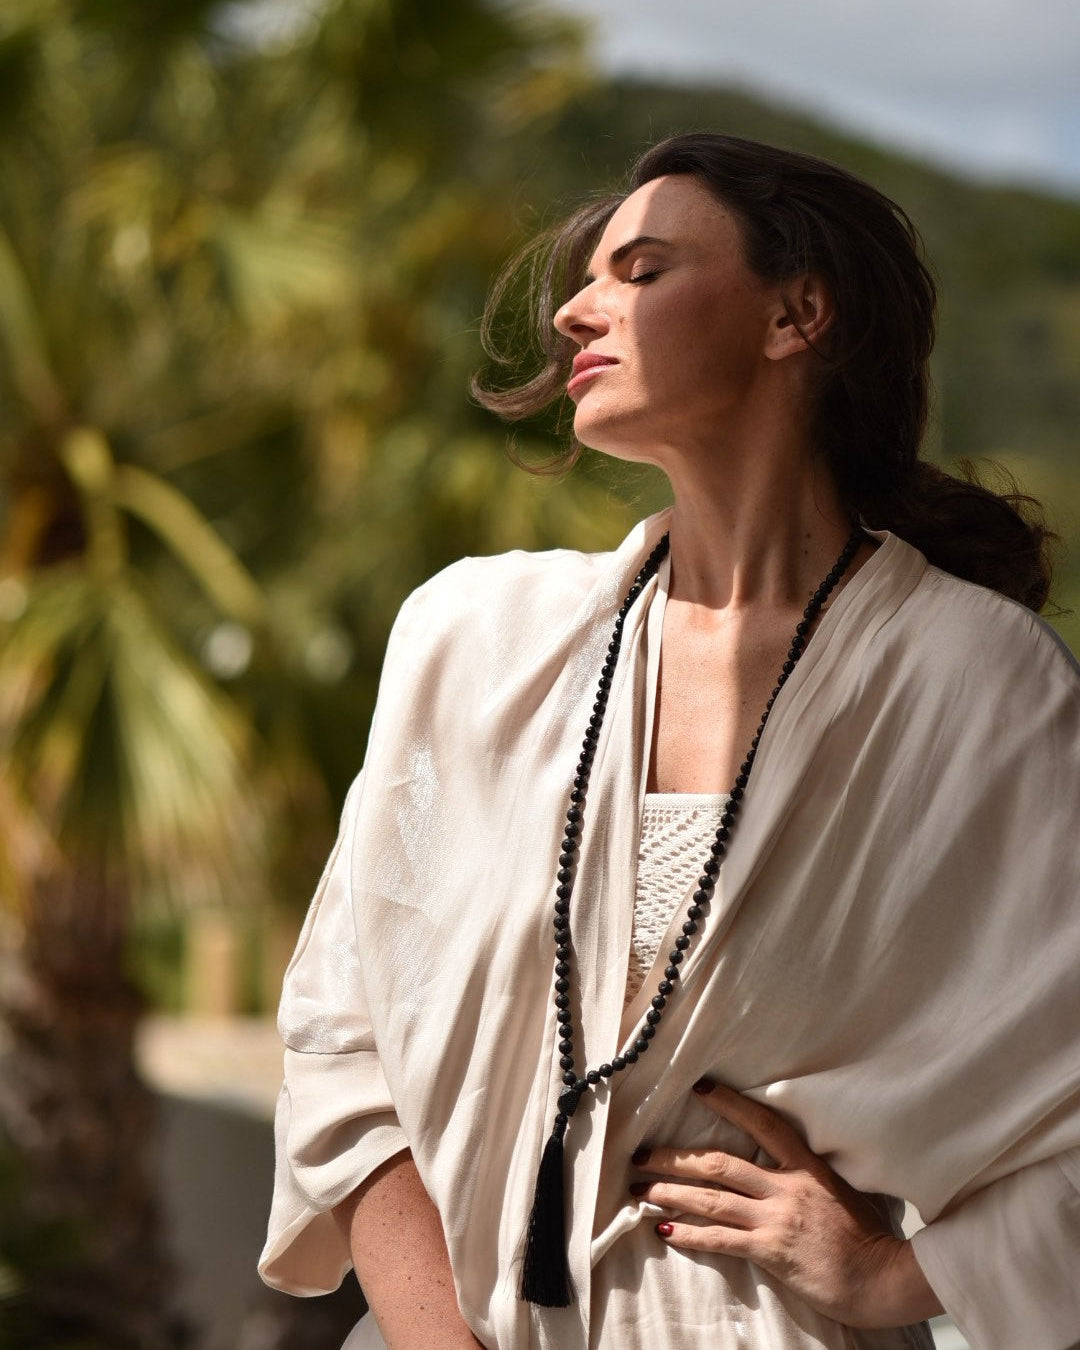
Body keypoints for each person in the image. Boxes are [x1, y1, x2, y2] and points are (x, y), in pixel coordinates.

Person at [259, 134, 1080, 1350]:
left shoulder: (974, 684)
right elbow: (344, 1037)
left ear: (796, 313)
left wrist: (897, 1275)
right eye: (586, 278)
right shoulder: (474, 641)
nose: (578, 312)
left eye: (639, 270)